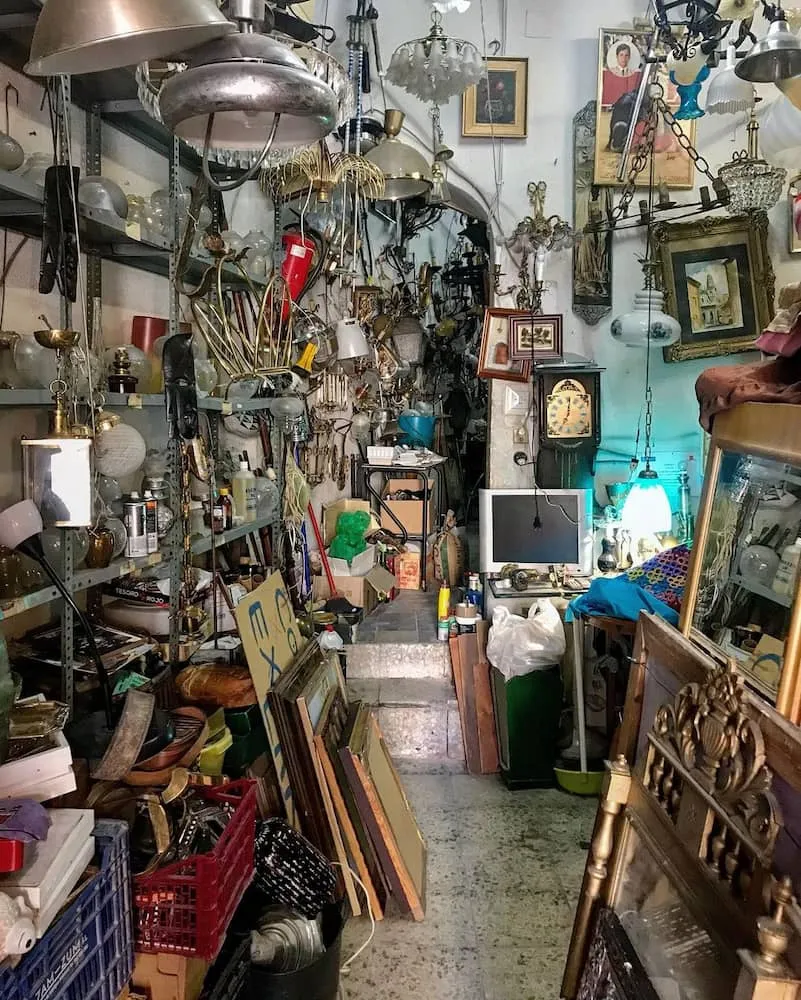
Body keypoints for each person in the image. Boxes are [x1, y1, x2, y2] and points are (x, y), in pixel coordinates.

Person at [602, 40, 643, 107]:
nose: (624, 58)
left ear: (629, 57)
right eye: (621, 55)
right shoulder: (610, 72)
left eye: (626, 55)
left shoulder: (634, 73)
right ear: (617, 56)